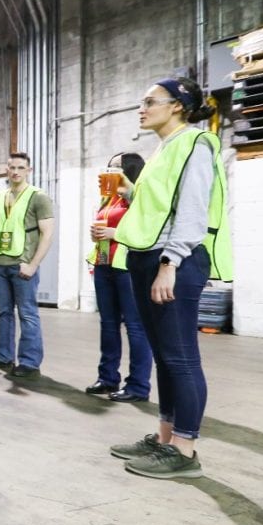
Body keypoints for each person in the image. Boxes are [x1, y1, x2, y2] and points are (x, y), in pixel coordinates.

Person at [101, 77, 232, 479]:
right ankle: (164, 439)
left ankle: (186, 450)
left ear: (177, 106)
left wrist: (170, 264)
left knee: (181, 358)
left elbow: (191, 211)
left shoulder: (197, 143)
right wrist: (130, 192)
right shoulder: (164, 148)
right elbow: (161, 207)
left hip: (175, 260)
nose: (142, 108)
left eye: (149, 101)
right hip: (147, 257)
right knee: (164, 357)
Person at [85, 153, 154, 402]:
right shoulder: (109, 198)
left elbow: (148, 225)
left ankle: (137, 386)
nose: (109, 171)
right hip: (104, 263)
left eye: (115, 168)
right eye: (108, 167)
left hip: (128, 267)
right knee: (108, 324)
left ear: (129, 170)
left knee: (135, 327)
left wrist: (115, 231)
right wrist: (98, 233)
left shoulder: (139, 195)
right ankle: (107, 378)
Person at [0, 152, 55, 378]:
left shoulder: (38, 197)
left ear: (28, 170)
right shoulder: (0, 196)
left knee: (27, 314)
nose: (15, 172)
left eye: (20, 168)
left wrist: (32, 265)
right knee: (4, 313)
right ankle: (4, 356)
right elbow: (3, 229)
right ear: (7, 169)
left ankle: (30, 362)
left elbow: (48, 234)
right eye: (12, 167)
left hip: (22, 265)